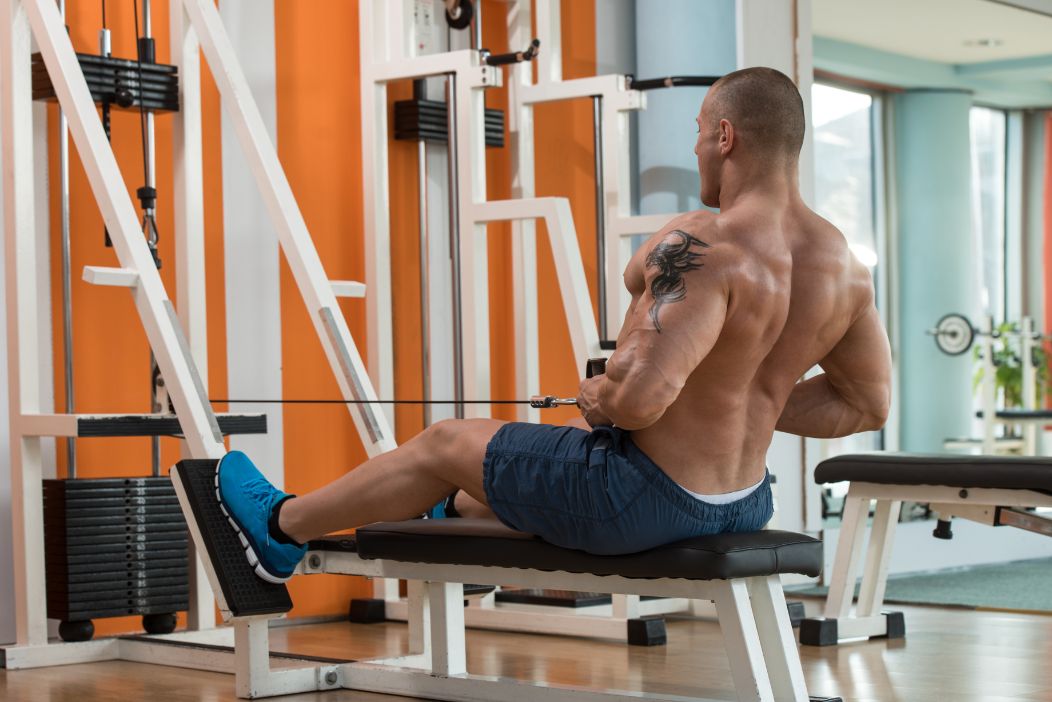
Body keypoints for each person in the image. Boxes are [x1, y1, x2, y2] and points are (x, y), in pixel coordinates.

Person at [216, 66, 892, 584]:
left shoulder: (704, 243)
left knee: (445, 440)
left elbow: (634, 404)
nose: (695, 151)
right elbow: (865, 404)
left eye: (697, 132)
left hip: (638, 504)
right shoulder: (845, 268)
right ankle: (451, 507)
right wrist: (750, 398)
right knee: (527, 457)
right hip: (744, 503)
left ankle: (279, 530)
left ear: (725, 136)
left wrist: (605, 397)